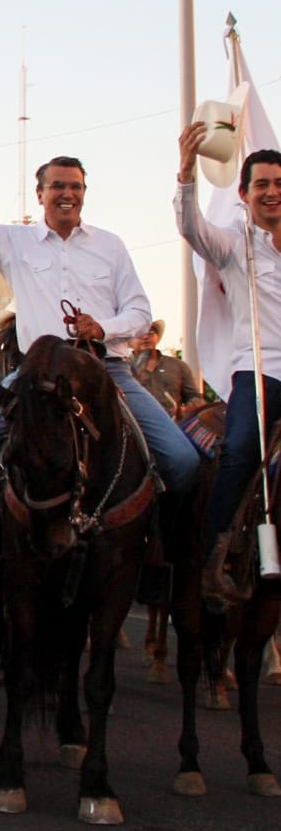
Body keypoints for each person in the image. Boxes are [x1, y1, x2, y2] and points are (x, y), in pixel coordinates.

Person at [0, 112, 199, 595]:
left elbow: (140, 310)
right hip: (33, 378)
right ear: (40, 192)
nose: (68, 194)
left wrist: (102, 327)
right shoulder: (14, 241)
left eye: (77, 187)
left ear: (84, 193)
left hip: (105, 370)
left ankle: (161, 559)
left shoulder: (110, 246)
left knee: (183, 460)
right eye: (59, 186)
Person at [174, 132, 281, 584]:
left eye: (279, 182)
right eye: (262, 184)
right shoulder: (234, 246)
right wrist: (185, 173)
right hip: (262, 370)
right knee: (237, 452)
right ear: (244, 194)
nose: (272, 191)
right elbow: (191, 228)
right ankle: (214, 556)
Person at [128, 319, 203, 420]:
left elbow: (196, 397)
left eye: (151, 332)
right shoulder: (122, 369)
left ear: (157, 337)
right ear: (129, 341)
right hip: (136, 427)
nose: (145, 337)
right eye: (139, 334)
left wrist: (185, 409)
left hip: (172, 424)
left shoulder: (178, 365)